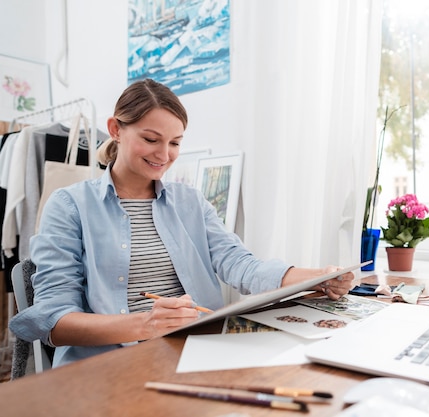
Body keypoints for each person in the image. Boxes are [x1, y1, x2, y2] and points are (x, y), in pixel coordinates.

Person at [9, 79, 355, 367]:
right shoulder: (69, 205)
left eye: (175, 143)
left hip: (193, 352)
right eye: (150, 139)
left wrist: (317, 277)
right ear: (115, 129)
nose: (164, 155)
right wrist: (144, 324)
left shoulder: (189, 200)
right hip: (105, 364)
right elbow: (55, 321)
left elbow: (241, 265)